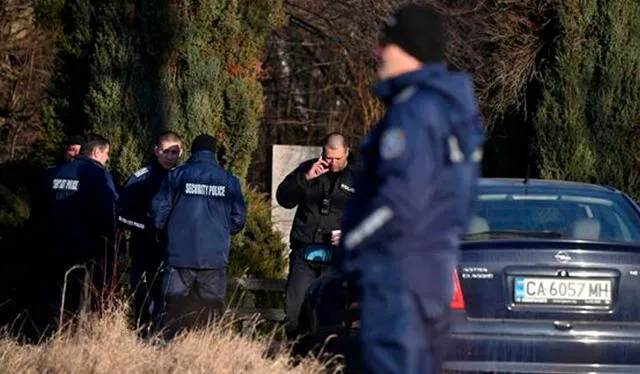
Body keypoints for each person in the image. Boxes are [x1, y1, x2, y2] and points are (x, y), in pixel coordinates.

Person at [339, 5, 485, 374]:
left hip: (397, 277)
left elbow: (400, 203)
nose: (377, 52)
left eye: (385, 43)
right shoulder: (450, 109)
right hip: (428, 276)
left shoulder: (415, 111)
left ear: (409, 48)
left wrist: (351, 243)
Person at [152, 134, 246, 339]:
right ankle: (207, 354)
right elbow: (238, 219)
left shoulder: (177, 175)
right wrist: (218, 231)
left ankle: (167, 350)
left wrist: (166, 232)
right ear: (213, 153)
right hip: (214, 257)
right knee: (212, 312)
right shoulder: (229, 180)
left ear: (193, 152)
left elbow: (159, 211)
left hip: (179, 255)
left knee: (172, 309)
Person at [275, 132, 357, 340]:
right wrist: (305, 179)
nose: (332, 163)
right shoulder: (309, 169)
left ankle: (326, 362)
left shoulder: (361, 176)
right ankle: (296, 359)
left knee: (331, 316)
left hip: (337, 259)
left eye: (337, 158)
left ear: (347, 152)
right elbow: (284, 198)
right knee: (294, 311)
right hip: (305, 254)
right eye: (328, 157)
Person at [44, 133, 118, 326]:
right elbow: (107, 211)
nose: (107, 158)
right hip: (85, 247)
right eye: (106, 153)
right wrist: (110, 245)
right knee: (81, 298)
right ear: (96, 152)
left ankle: (55, 332)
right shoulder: (98, 175)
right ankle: (78, 337)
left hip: (55, 244)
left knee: (59, 294)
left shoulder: (59, 172)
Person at [116, 131, 182, 332]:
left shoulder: (183, 178)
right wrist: (147, 226)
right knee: (144, 305)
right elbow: (121, 214)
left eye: (174, 152)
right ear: (156, 151)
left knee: (170, 306)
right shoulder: (139, 180)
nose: (170, 157)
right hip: (144, 252)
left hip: (174, 254)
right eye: (166, 152)